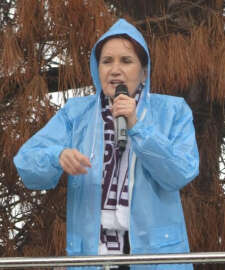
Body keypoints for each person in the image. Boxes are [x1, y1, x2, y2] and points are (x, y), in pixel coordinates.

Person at [13, 18, 199, 270]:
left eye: (126, 61)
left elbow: (181, 173)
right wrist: (56, 156)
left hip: (156, 258)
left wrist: (138, 126)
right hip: (92, 258)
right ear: (96, 69)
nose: (115, 69)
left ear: (144, 70)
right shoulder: (76, 114)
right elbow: (26, 164)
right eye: (106, 61)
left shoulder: (173, 111)